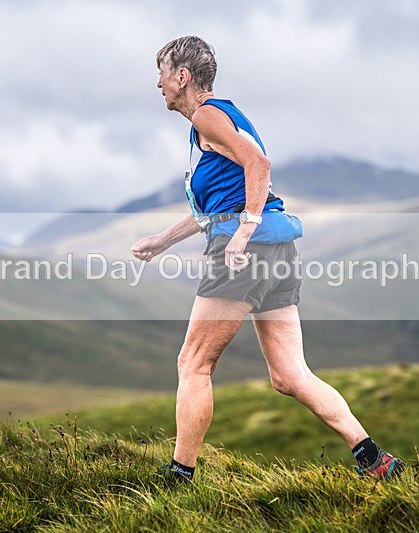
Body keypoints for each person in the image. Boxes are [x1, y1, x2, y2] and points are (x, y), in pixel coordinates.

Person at [130, 36, 404, 483]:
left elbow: (259, 164)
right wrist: (163, 240)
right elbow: (220, 203)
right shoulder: (222, 117)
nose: (157, 83)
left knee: (193, 364)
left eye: (161, 72)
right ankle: (375, 460)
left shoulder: (206, 115)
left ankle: (179, 476)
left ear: (182, 76)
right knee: (290, 375)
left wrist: (243, 231)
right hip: (278, 250)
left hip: (245, 254)